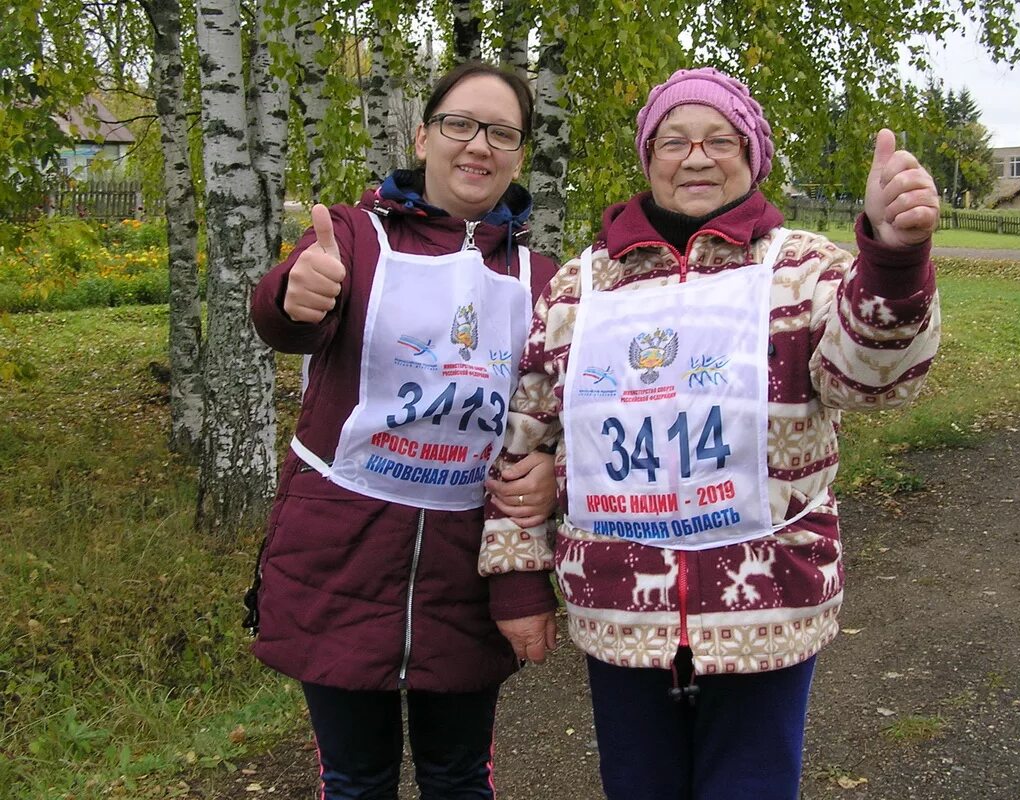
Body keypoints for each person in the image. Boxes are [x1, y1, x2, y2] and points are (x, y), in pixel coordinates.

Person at [480, 67, 941, 798]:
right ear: (648, 157)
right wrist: (515, 581)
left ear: (751, 153)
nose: (696, 157)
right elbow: (525, 438)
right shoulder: (580, 289)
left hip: (769, 612)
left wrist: (892, 258)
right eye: (673, 140)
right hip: (619, 611)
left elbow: (873, 378)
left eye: (719, 139)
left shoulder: (802, 269)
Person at [244, 61, 561, 800]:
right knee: (355, 780)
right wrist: (296, 292)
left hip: (465, 569)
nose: (477, 145)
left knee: (457, 778)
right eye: (459, 124)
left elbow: (553, 423)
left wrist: (550, 480)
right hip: (340, 558)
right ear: (423, 136)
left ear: (519, 155)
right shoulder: (353, 238)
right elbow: (283, 317)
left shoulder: (540, 280)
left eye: (501, 132)